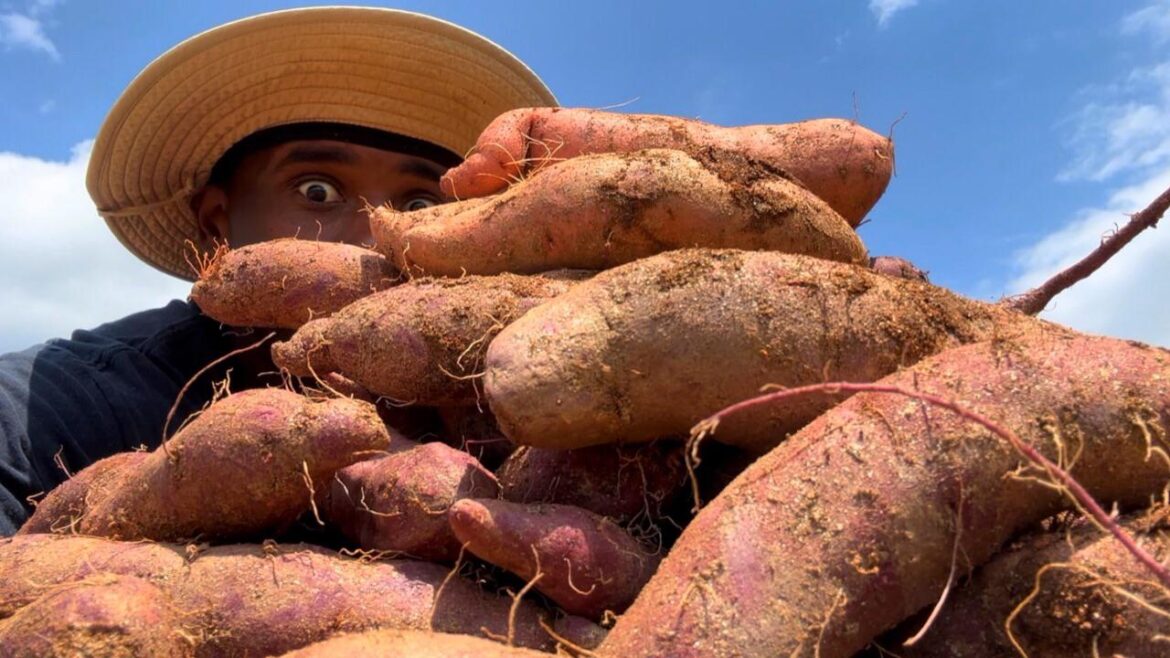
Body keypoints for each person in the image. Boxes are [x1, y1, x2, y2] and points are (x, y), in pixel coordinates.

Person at [0, 6, 557, 535]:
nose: (377, 237)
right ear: (218, 222)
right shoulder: (52, 410)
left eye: (421, 208)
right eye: (318, 191)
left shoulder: (510, 413)